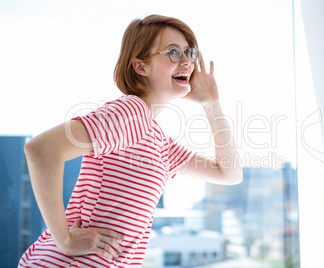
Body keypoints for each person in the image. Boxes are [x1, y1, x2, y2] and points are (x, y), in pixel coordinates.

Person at [18, 14, 243, 268]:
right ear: (141, 67)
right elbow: (41, 150)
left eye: (189, 53)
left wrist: (212, 104)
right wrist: (65, 240)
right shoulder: (132, 112)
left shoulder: (161, 142)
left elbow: (230, 174)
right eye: (172, 52)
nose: (187, 62)